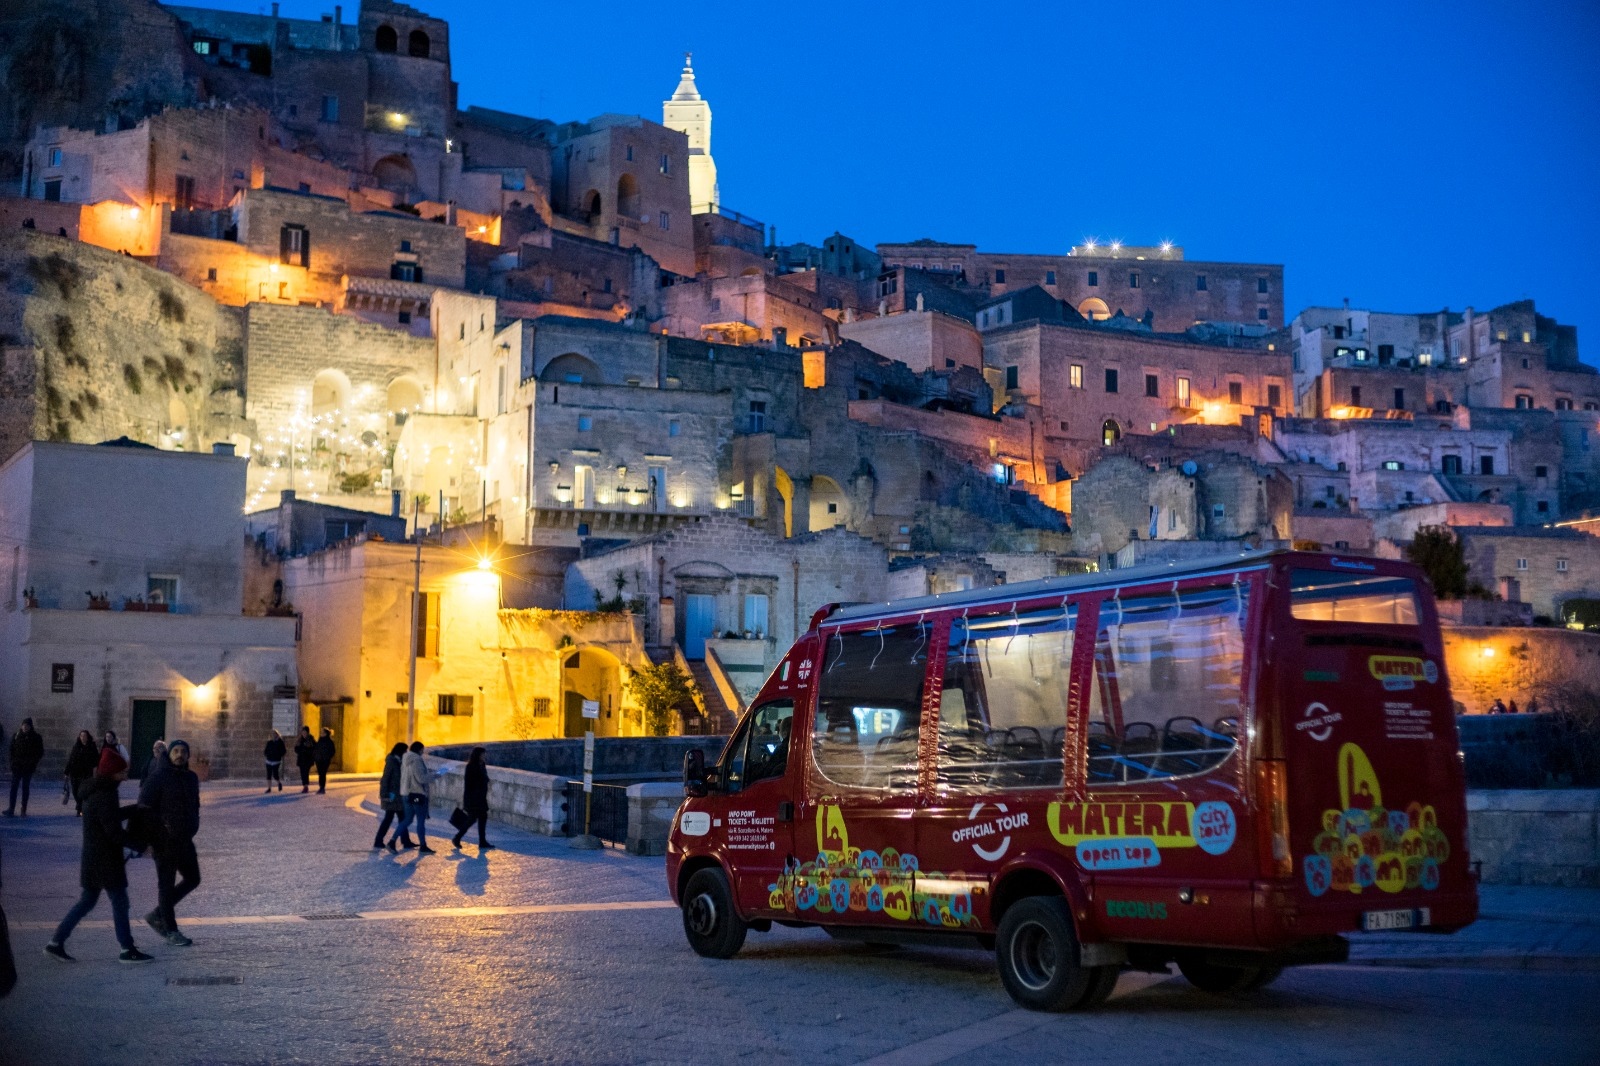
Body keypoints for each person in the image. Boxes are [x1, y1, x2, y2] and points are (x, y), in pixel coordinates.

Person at [42, 747, 154, 963]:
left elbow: (109, 817)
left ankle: (55, 943)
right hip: (105, 860)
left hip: (94, 858)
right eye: (122, 772)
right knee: (119, 902)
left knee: (87, 901)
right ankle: (126, 949)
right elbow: (113, 831)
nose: (125, 776)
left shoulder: (97, 790)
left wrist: (135, 808)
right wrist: (141, 847)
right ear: (111, 773)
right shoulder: (105, 794)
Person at [143, 739, 201, 947]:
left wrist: (194, 824)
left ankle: (158, 913)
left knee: (193, 878)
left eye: (183, 751)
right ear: (169, 754)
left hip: (185, 840)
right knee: (166, 886)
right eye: (175, 751)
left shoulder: (191, 778)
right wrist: (147, 840)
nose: (179, 755)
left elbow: (195, 804)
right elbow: (143, 808)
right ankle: (170, 930)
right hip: (164, 841)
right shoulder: (158, 777)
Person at [391, 741, 434, 854]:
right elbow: (421, 779)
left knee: (407, 820)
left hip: (406, 794)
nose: (423, 752)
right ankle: (423, 845)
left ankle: (392, 841)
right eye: (422, 750)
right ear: (420, 750)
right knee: (420, 821)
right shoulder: (417, 760)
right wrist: (435, 775)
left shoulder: (405, 759)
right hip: (417, 794)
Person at [453, 747, 495, 851]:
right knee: (472, 819)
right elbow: (470, 783)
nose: (484, 756)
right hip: (473, 798)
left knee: (482, 818)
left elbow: (483, 778)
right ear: (478, 755)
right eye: (483, 754)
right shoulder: (471, 766)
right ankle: (458, 838)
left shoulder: (482, 765)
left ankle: (482, 841)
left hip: (481, 797)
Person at [375, 743, 414, 850]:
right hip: (392, 797)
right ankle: (378, 840)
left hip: (398, 797)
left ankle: (405, 841)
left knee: (401, 818)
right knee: (389, 818)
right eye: (405, 751)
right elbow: (385, 779)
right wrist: (384, 795)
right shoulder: (392, 762)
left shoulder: (399, 761)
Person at [5, 718, 44, 817]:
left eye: (27, 726)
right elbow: (11, 750)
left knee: (25, 788)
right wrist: (12, 762)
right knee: (14, 788)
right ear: (21, 726)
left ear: (30, 727)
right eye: (24, 725)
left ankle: (23, 809)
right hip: (17, 766)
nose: (25, 727)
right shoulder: (17, 736)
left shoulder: (36, 737)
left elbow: (40, 752)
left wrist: (32, 763)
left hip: (28, 767)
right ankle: (11, 808)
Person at [63, 731, 99, 816]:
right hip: (75, 773)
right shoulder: (76, 746)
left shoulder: (92, 746)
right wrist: (66, 772)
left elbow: (95, 760)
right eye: (81, 736)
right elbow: (71, 759)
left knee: (82, 792)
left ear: (88, 737)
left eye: (84, 736)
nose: (83, 737)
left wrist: (95, 772)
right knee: (75, 792)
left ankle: (80, 809)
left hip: (86, 773)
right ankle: (80, 806)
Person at [313, 728, 336, 794]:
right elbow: (316, 749)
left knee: (323, 773)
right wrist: (315, 756)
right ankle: (321, 787)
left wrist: (327, 757)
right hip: (318, 760)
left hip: (325, 760)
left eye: (322, 732)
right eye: (321, 732)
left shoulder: (330, 742)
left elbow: (332, 751)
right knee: (320, 773)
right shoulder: (320, 740)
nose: (321, 734)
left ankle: (322, 787)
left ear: (326, 734)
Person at [293, 726, 315, 793]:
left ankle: (306, 786)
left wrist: (307, 750)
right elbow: (296, 748)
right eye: (303, 732)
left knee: (306, 773)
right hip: (301, 759)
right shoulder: (300, 739)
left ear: (307, 732)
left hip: (308, 759)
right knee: (302, 773)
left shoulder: (311, 739)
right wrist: (299, 751)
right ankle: (304, 785)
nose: (304, 733)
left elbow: (313, 748)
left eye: (305, 732)